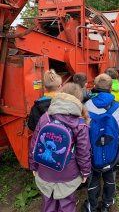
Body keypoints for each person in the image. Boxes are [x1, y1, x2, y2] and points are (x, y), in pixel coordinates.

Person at [29, 83, 91, 212]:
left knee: (48, 201)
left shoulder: (45, 117)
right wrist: (85, 172)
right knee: (67, 202)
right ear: (78, 100)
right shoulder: (80, 123)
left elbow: (35, 143)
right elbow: (83, 152)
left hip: (45, 170)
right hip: (68, 173)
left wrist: (33, 165)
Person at [83, 74, 119, 212]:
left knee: (94, 178)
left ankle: (92, 205)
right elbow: (118, 130)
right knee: (110, 176)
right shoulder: (117, 107)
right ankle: (107, 203)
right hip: (111, 151)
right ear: (110, 88)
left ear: (94, 86)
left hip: (92, 151)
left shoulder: (86, 105)